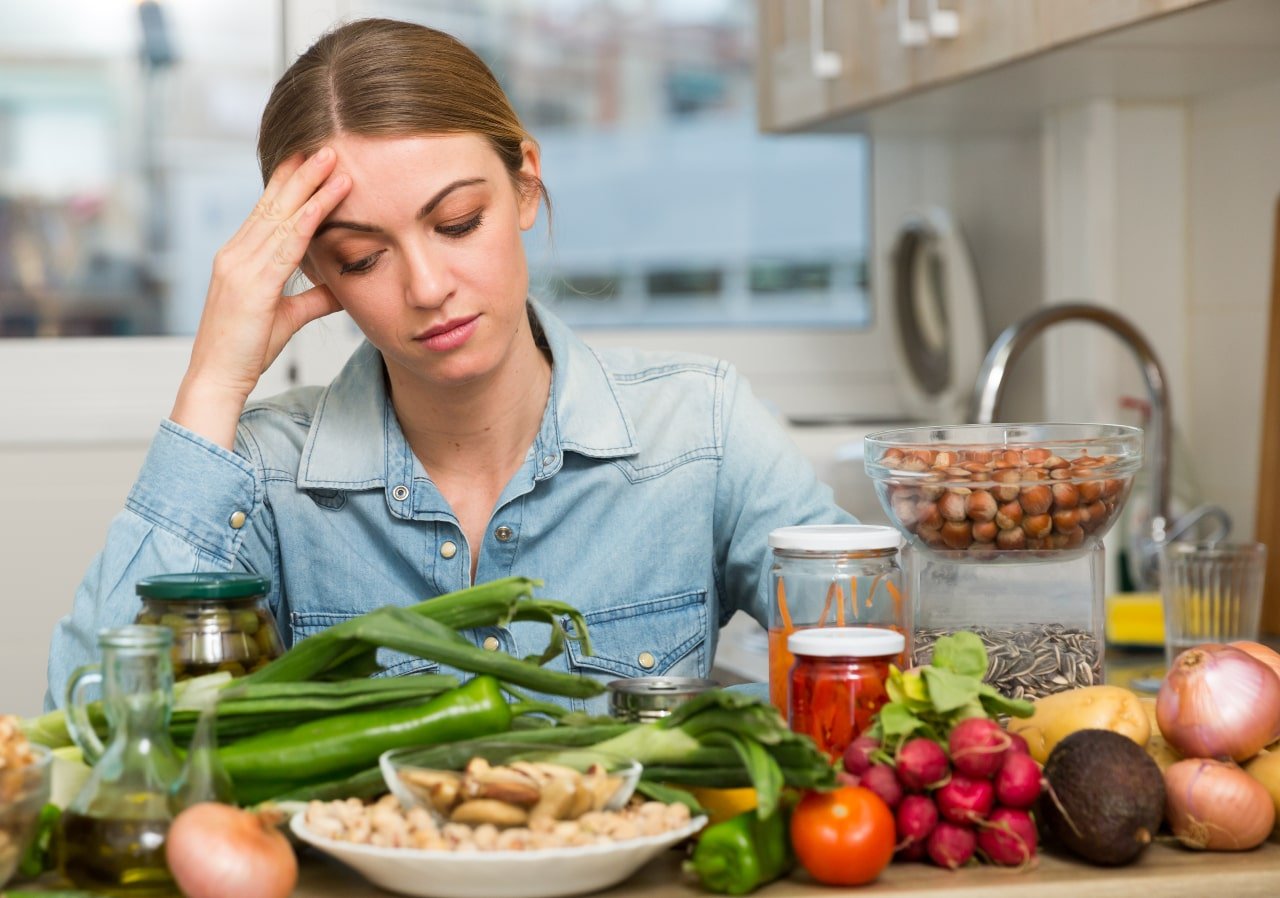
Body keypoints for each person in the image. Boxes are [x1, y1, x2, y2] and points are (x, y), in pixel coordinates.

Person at [45, 18, 856, 713]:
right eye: (363, 258)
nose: (428, 288)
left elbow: (880, 659)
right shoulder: (265, 478)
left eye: (459, 223)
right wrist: (213, 383)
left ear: (526, 185)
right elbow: (93, 725)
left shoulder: (701, 428)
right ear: (319, 276)